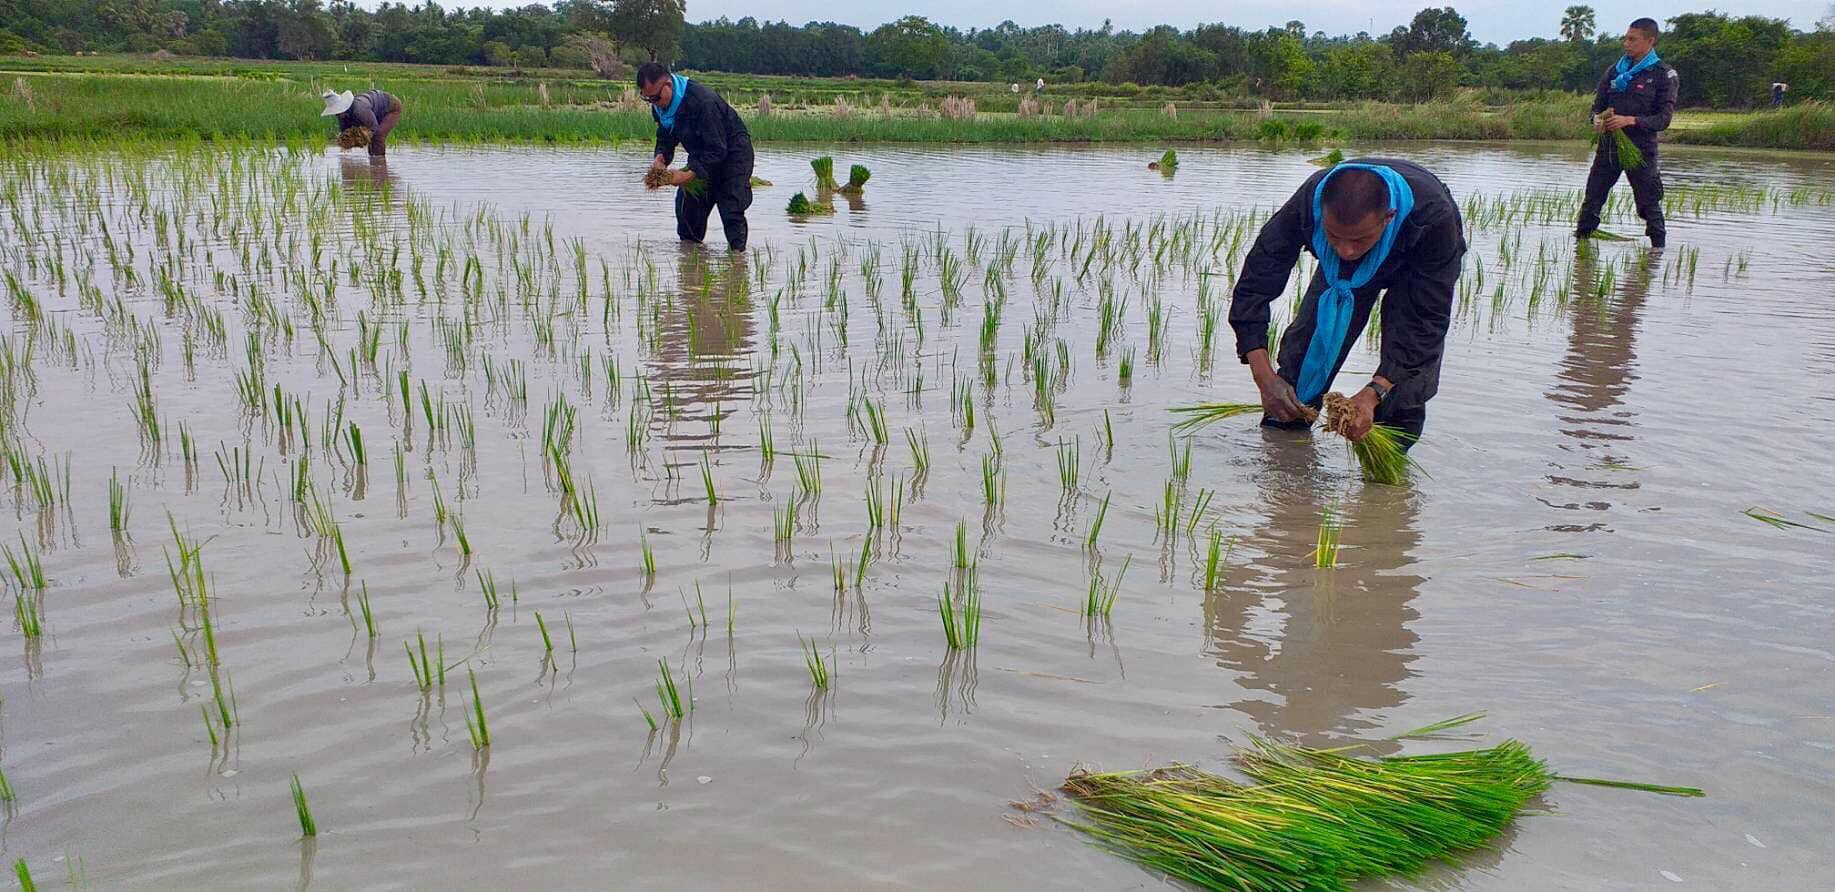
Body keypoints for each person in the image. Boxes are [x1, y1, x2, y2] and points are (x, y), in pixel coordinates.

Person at [1227, 159, 1466, 446]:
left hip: (1414, 259)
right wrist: (1264, 377)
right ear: (1321, 217)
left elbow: (1426, 322)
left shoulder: (1432, 219)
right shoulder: (1307, 205)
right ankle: (1284, 465)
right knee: (1297, 379)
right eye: (1333, 237)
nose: (1346, 251)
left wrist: (1375, 392)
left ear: (1388, 217)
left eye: (1359, 240)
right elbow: (1255, 285)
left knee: (1404, 394)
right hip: (1338, 277)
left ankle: (1384, 484)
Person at [1575, 18, 1678, 249]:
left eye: (1633, 39)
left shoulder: (1664, 74)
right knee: (1592, 201)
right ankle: (1580, 257)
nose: (1626, 44)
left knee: (1649, 204)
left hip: (1641, 151)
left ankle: (1657, 256)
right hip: (1609, 148)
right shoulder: (1614, 71)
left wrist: (1630, 120)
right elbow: (1596, 107)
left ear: (1650, 41)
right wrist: (1597, 121)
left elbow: (1664, 119)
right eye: (1626, 38)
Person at [641, 63, 755, 252]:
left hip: (733, 156)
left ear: (668, 85)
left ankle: (738, 262)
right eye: (648, 98)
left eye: (656, 97)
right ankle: (690, 259)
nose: (654, 102)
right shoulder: (661, 107)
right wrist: (661, 158)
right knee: (687, 206)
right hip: (702, 155)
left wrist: (686, 176)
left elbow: (717, 149)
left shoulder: (703, 102)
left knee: (731, 208)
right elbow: (665, 136)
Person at [321, 89, 402, 159]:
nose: (337, 114)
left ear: (344, 107)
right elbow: (344, 131)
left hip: (391, 107)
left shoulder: (360, 110)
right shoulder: (341, 115)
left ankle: (379, 164)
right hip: (375, 110)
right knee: (371, 139)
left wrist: (361, 139)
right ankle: (373, 160)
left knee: (378, 136)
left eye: (338, 111)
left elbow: (374, 129)